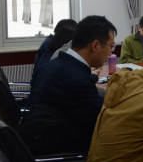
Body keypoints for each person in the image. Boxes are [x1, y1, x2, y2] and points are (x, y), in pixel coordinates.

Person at [29, 15, 117, 152]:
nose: (111, 52)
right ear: (95, 45)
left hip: (45, 135)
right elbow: (105, 120)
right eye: (111, 46)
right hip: (69, 148)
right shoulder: (75, 79)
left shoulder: (54, 65)